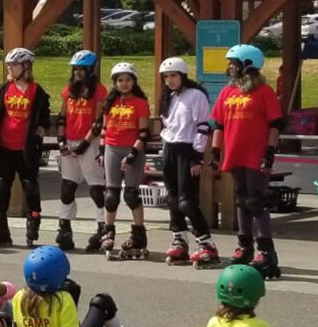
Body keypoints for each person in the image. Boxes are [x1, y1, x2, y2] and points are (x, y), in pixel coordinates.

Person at [208, 44, 285, 279]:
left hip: (257, 153)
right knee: (242, 200)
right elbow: (219, 126)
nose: (230, 67)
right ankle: (245, 246)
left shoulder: (264, 92)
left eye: (234, 63)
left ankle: (266, 252)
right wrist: (214, 152)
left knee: (256, 201)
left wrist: (270, 152)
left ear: (247, 65)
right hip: (235, 153)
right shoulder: (227, 93)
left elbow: (275, 124)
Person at [156, 57, 221, 267]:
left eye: (173, 76)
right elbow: (168, 127)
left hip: (188, 150)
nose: (170, 80)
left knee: (187, 201)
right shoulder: (170, 97)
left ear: (183, 75)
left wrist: (197, 157)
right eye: (166, 77)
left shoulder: (196, 95)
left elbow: (203, 127)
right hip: (170, 148)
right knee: (173, 198)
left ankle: (206, 243)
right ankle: (179, 240)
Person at [0, 48, 52, 247]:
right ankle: (0, 229)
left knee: (30, 187)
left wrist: (39, 133)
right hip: (4, 146)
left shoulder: (36, 91)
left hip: (26, 148)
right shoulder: (3, 89)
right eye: (8, 65)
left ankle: (33, 224)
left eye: (13, 65)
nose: (9, 68)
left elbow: (45, 116)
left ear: (25, 67)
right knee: (1, 185)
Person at [98, 62, 153, 260]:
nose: (124, 83)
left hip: (133, 150)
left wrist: (132, 155)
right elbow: (104, 129)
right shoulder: (110, 101)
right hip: (112, 148)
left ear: (134, 81)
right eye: (120, 80)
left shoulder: (140, 102)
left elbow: (144, 133)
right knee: (111, 195)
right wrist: (101, 151)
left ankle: (139, 235)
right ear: (115, 83)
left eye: (128, 80)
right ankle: (108, 232)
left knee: (131, 195)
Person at [55, 50, 104, 252]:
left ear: (90, 70)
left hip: (89, 143)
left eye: (81, 69)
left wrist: (84, 144)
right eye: (75, 68)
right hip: (70, 141)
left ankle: (103, 227)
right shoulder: (69, 90)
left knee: (96, 189)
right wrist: (60, 140)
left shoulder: (99, 91)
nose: (77, 72)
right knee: (67, 187)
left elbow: (99, 121)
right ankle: (64, 227)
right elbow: (62, 117)